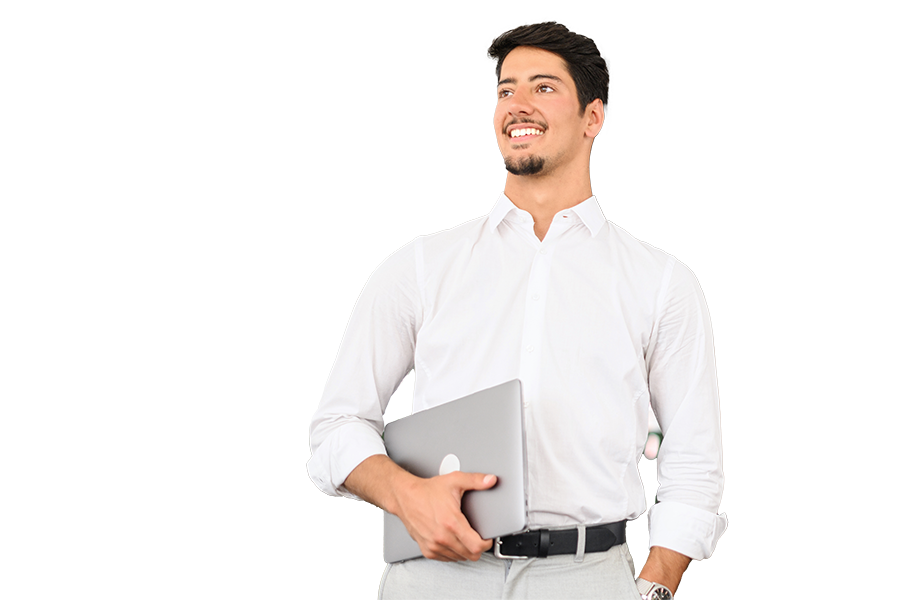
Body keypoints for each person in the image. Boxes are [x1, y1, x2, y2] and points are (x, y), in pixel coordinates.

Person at [308, 21, 726, 599]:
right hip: (434, 578)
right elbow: (336, 427)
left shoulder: (660, 282)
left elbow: (695, 459)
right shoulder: (421, 266)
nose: (517, 105)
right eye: (506, 90)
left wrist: (654, 588)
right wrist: (406, 496)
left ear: (593, 118)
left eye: (543, 88)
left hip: (588, 578)